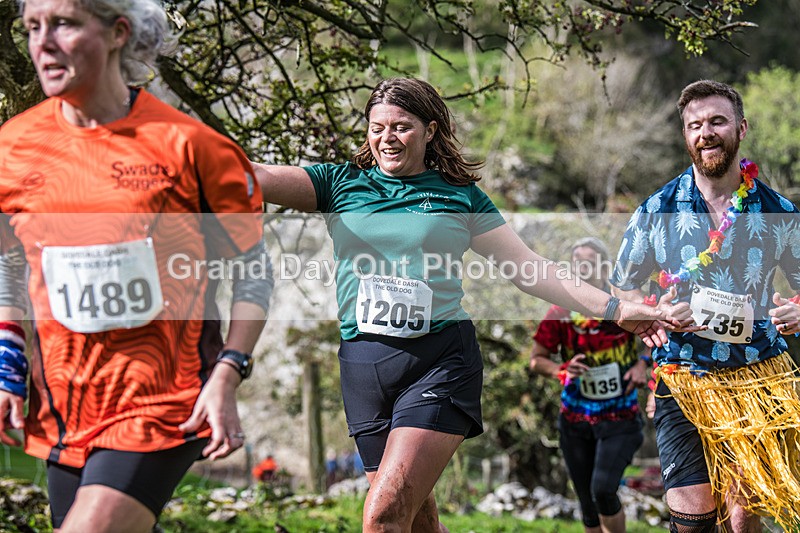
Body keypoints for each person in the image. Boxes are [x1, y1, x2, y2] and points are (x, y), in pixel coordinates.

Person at [252, 77, 676, 532]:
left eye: (401, 127)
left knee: (383, 516)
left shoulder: (458, 195)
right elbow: (248, 176)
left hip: (438, 361)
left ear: (430, 130)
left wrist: (614, 309)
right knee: (416, 522)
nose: (386, 139)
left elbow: (531, 270)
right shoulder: (339, 184)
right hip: (363, 365)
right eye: (377, 128)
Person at [0, 0, 271, 531]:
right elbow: (9, 264)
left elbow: (253, 270)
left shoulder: (191, 147)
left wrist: (228, 372)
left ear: (118, 32)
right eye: (33, 27)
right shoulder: (13, 148)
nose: (43, 42)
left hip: (165, 398)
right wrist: (8, 360)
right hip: (66, 404)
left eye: (64, 24)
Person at [612, 79, 800, 532]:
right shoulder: (656, 209)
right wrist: (649, 314)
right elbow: (620, 289)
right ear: (685, 136)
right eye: (695, 125)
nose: (706, 132)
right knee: (694, 519)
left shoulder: (779, 211)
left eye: (717, 121)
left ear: (741, 127)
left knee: (741, 520)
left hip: (756, 377)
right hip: (682, 375)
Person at [530, 237, 649, 533]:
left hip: (620, 418)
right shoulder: (560, 311)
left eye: (590, 260)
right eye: (577, 260)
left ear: (602, 266)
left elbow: (655, 337)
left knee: (604, 491)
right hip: (575, 420)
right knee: (587, 503)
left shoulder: (621, 305)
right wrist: (561, 369)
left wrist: (642, 364)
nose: (583, 265)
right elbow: (537, 359)